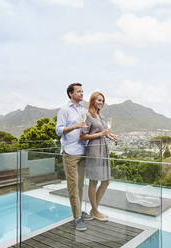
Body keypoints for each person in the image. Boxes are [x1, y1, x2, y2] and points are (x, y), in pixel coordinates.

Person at [56, 83, 93, 231]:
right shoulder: (64, 110)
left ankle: (80, 211)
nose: (82, 93)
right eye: (79, 91)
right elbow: (59, 130)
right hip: (70, 153)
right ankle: (77, 218)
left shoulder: (83, 110)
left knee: (79, 185)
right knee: (73, 187)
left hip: (82, 151)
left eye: (83, 91)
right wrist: (75, 126)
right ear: (71, 94)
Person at [80, 91, 118, 221]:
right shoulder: (88, 115)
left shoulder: (99, 116)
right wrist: (102, 134)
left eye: (102, 100)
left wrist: (111, 136)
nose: (101, 102)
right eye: (99, 100)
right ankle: (95, 211)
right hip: (94, 150)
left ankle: (93, 209)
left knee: (106, 181)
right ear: (93, 101)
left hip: (103, 149)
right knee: (94, 181)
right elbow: (83, 136)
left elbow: (103, 132)